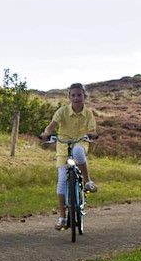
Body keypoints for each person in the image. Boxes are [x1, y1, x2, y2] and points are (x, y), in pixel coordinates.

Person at [39, 82, 99, 230]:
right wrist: (46, 133)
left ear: (84, 96)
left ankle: (87, 181)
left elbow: (92, 129)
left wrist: (92, 134)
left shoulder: (88, 113)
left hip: (80, 142)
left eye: (79, 95)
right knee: (61, 181)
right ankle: (62, 217)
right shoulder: (62, 111)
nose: (76, 98)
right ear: (69, 97)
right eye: (73, 95)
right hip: (63, 146)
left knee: (78, 152)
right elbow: (51, 125)